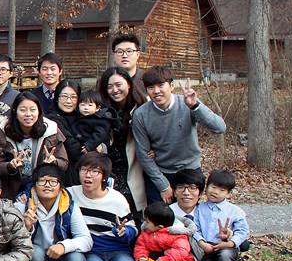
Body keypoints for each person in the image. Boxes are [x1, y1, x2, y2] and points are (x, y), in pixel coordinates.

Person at [131, 66, 227, 207]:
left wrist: (195, 106)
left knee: (189, 215)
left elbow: (220, 128)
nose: (156, 91)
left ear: (171, 86)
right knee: (159, 216)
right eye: (151, 87)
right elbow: (143, 154)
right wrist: (163, 186)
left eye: (161, 85)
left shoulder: (187, 103)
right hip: (160, 171)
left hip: (190, 169)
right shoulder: (141, 114)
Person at [13, 164, 91, 261]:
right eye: (42, 181)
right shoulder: (23, 204)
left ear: (60, 186)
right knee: (35, 254)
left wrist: (64, 246)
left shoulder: (69, 206)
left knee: (77, 260)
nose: (48, 186)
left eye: (53, 181)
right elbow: (12, 241)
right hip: (33, 257)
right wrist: (27, 226)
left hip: (58, 256)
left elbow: (86, 239)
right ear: (34, 185)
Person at [70, 152, 139, 261]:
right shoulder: (71, 194)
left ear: (104, 176)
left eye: (94, 171)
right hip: (92, 249)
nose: (88, 175)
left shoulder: (117, 199)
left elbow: (133, 228)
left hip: (117, 249)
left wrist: (125, 232)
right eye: (84, 170)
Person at [0, 91, 69, 199]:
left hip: (41, 187)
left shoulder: (51, 130)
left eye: (33, 110)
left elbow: (64, 163)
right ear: (15, 111)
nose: (28, 114)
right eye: (23, 110)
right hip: (11, 188)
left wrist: (54, 162)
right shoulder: (3, 130)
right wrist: (9, 166)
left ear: (39, 111)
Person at [97, 67, 147, 212]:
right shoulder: (101, 110)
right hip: (109, 166)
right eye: (109, 86)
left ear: (129, 84)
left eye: (119, 85)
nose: (115, 90)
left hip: (134, 165)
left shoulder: (141, 107)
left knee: (132, 207)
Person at [108, 33, 147, 101]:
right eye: (120, 52)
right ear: (114, 55)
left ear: (138, 54)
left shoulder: (147, 79)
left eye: (129, 51)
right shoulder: (106, 80)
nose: (124, 55)